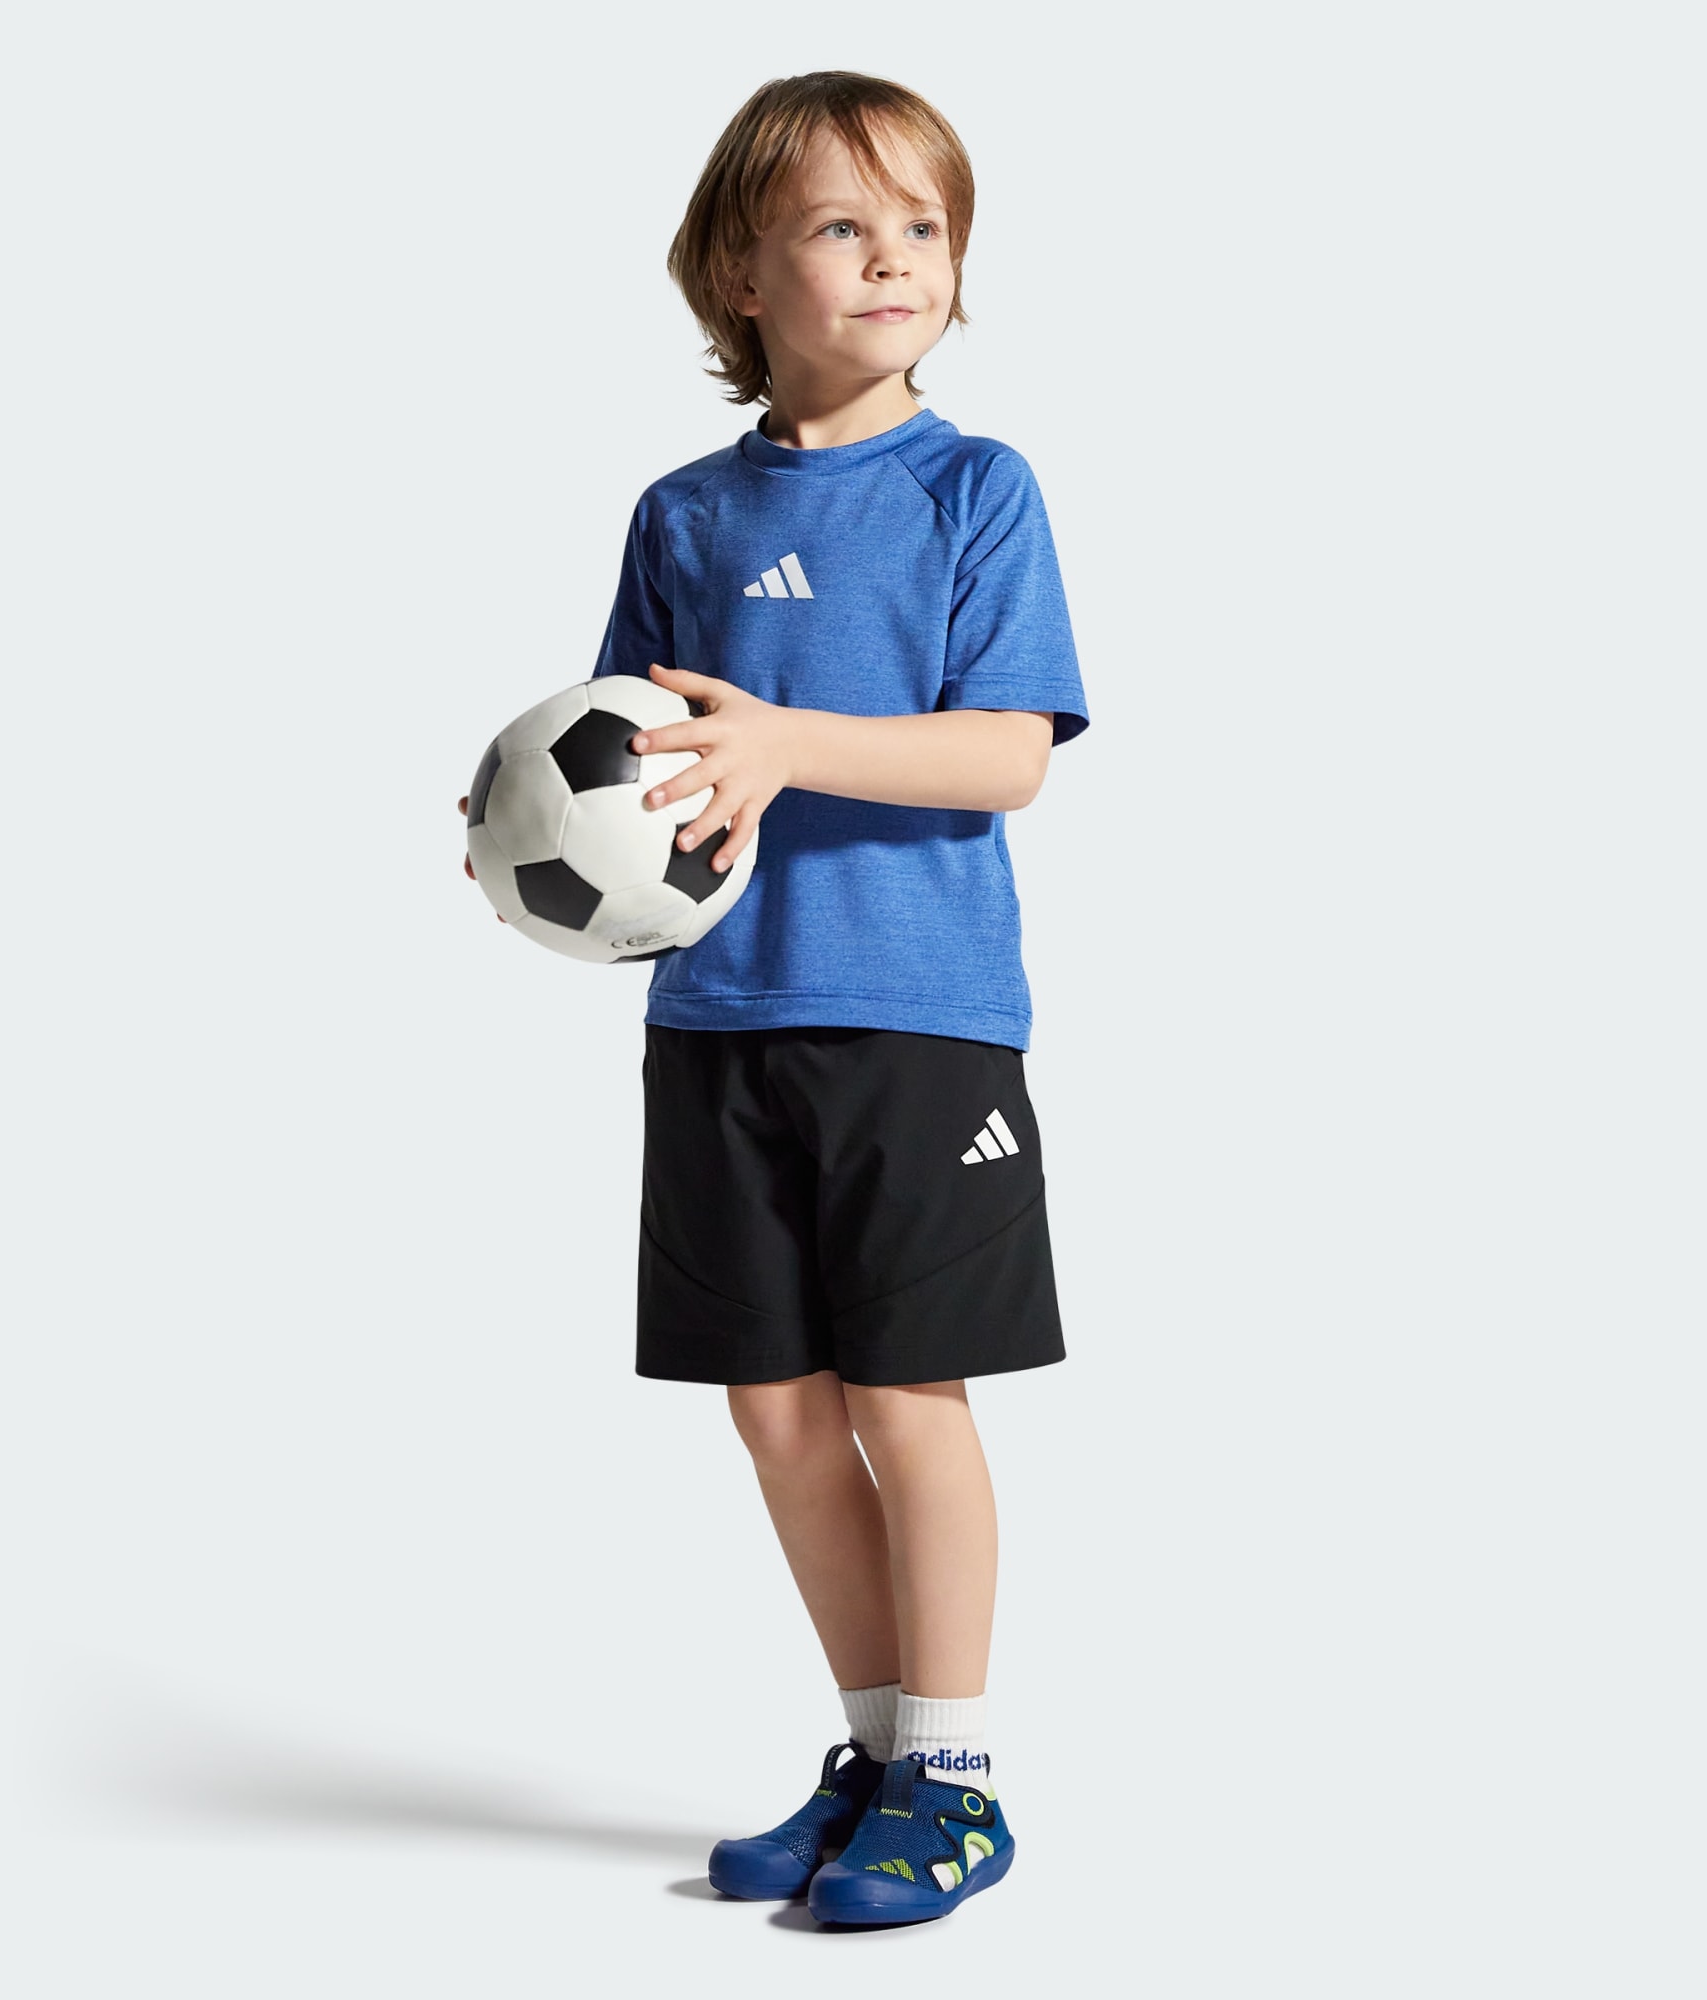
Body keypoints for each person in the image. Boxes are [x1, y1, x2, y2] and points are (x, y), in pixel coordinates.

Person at [460, 70, 1088, 1926]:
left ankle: (957, 1779)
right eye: (840, 225)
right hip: (721, 1023)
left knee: (907, 1396)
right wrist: (519, 837)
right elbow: (628, 755)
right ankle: (878, 1754)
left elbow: (1008, 755)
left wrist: (793, 744)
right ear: (740, 274)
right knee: (781, 1411)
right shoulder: (682, 514)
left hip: (918, 1019)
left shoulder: (975, 488)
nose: (894, 258)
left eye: (924, 226)